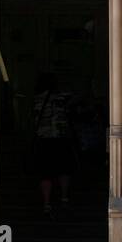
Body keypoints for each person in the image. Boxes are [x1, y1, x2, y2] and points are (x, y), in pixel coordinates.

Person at [31, 73, 76, 215]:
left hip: (43, 138)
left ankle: (46, 203)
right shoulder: (62, 98)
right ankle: (64, 198)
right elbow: (77, 98)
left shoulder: (36, 99)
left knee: (45, 173)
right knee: (64, 169)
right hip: (61, 137)